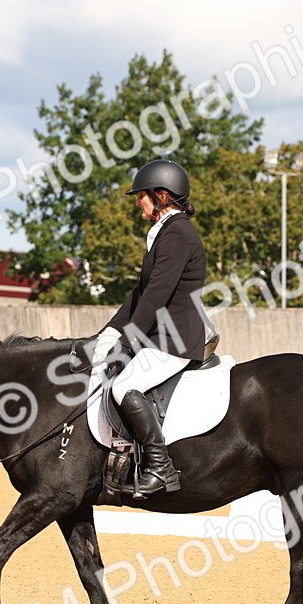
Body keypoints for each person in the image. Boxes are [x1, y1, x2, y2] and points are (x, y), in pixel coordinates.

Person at [92, 159, 207, 498]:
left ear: (161, 196)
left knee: (123, 385)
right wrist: (110, 332)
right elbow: (140, 294)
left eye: (140, 196)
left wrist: (127, 343)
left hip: (174, 340)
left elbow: (158, 294)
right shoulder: (165, 234)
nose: (136, 202)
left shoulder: (178, 235)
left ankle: (160, 467)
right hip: (160, 336)